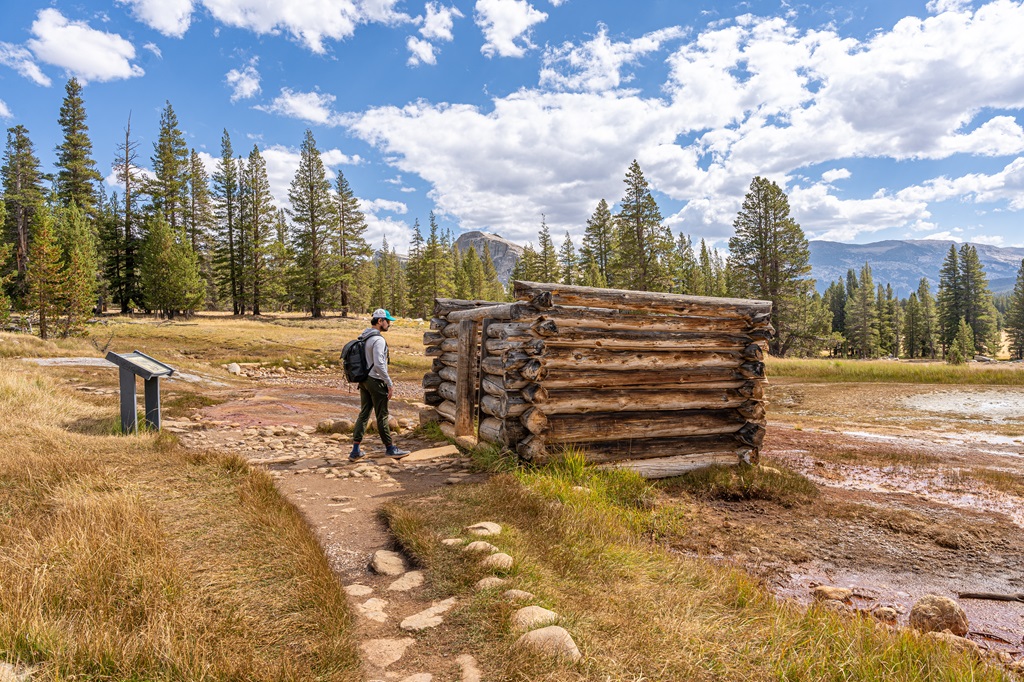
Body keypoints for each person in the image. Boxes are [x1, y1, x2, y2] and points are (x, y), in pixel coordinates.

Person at [350, 308, 410, 461]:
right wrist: (389, 383)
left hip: (363, 380)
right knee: (382, 415)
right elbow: (379, 364)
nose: (389, 324)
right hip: (375, 380)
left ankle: (355, 450)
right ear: (379, 321)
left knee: (364, 414)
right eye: (387, 321)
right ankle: (390, 448)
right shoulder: (378, 340)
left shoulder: (364, 336)